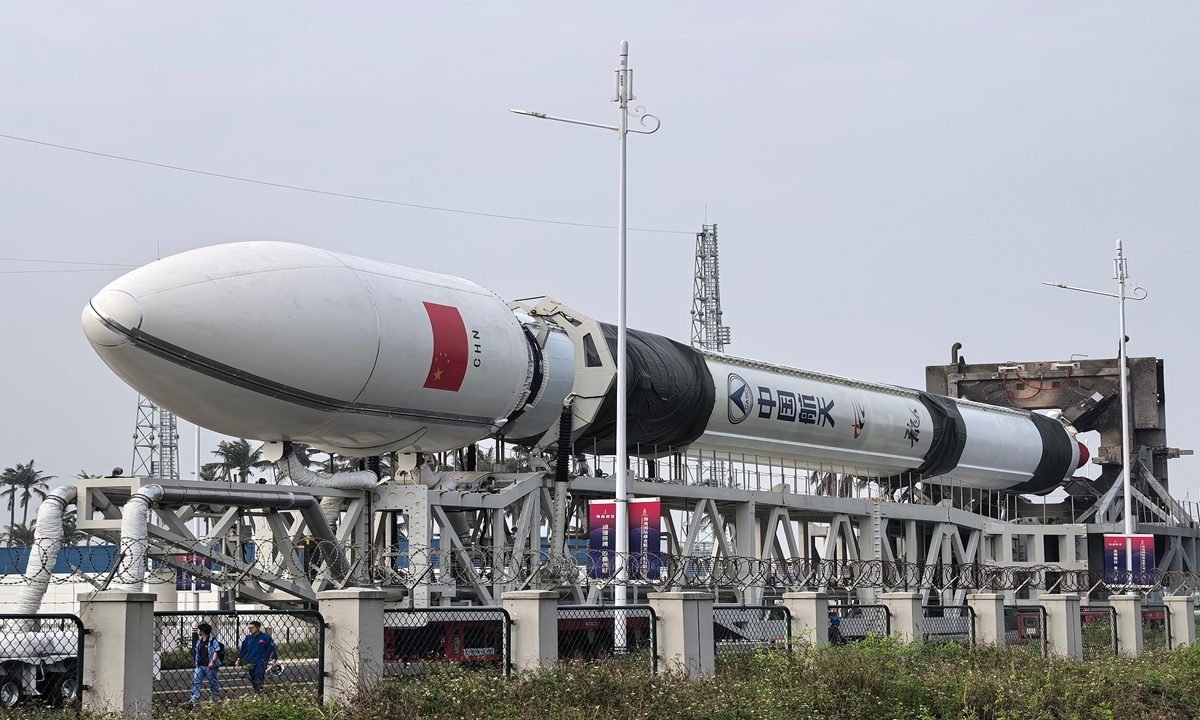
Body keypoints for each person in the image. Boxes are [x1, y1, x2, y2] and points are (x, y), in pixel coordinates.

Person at [235, 621, 279, 696]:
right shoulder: (248, 638)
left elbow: (272, 648)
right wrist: (239, 659)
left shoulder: (265, 637)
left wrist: (274, 659)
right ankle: (256, 690)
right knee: (252, 676)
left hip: (261, 661)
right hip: (250, 661)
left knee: (258, 676)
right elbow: (244, 649)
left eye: (252, 628)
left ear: (258, 627)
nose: (250, 629)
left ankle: (258, 692)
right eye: (249, 628)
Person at [190, 623, 222, 703]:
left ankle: (215, 698)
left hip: (209, 666)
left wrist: (212, 662)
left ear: (202, 631)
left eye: (199, 629)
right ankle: (194, 698)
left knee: (213, 682)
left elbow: (216, 651)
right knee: (196, 681)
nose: (197, 631)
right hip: (200, 665)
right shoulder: (199, 641)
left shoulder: (212, 641)